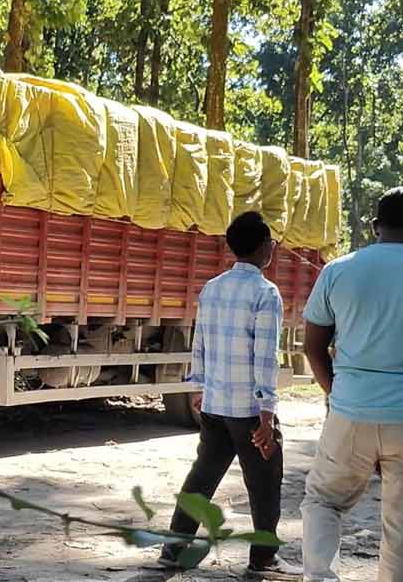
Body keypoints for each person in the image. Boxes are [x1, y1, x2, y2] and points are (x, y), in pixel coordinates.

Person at [158, 211, 302, 579]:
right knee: (265, 481)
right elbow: (265, 356)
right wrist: (267, 414)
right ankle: (264, 558)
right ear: (264, 248)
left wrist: (198, 387)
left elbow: (200, 343)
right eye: (271, 242)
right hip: (249, 410)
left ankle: (174, 548)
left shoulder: (213, 287)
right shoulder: (265, 293)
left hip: (216, 405)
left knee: (202, 476)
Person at [301, 187, 403, 582]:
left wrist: (336, 394)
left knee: (323, 500)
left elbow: (313, 347)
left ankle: (320, 577)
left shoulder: (339, 270)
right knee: (398, 520)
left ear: (376, 226)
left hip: (350, 410)